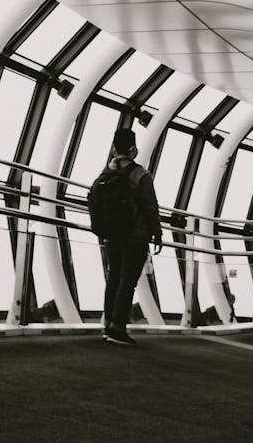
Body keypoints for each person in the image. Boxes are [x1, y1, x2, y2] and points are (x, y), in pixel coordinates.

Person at [102, 126, 162, 347]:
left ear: (114, 148)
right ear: (133, 149)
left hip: (111, 235)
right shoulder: (140, 174)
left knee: (113, 279)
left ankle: (108, 324)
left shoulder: (106, 172)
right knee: (128, 282)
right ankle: (118, 328)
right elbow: (150, 206)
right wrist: (156, 232)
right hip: (135, 236)